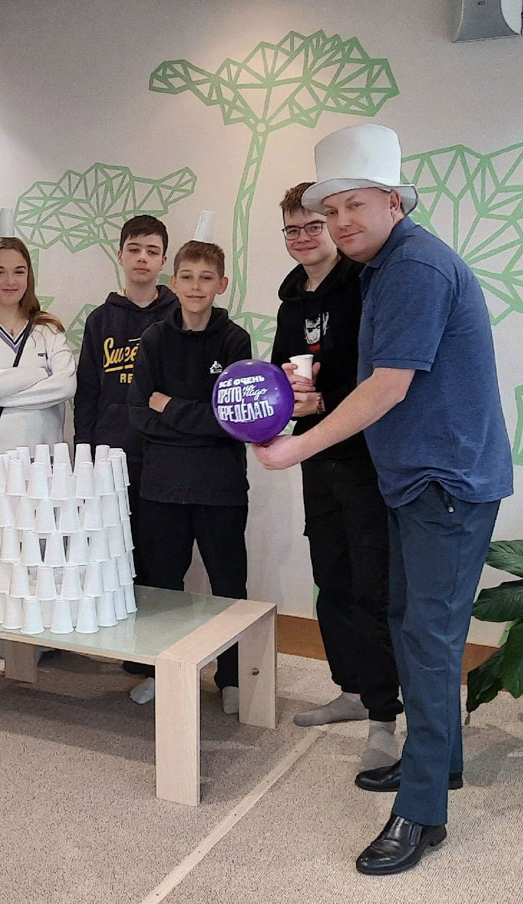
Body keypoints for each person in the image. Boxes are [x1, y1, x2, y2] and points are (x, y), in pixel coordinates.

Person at [256, 124, 512, 875]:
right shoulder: (382, 267)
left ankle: (422, 812)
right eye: (330, 210)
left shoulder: (415, 268)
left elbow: (388, 386)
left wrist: (298, 445)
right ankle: (443, 762)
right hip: (415, 479)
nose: (340, 222)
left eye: (354, 206)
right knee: (410, 624)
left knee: (428, 639)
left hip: (446, 483)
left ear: (394, 201)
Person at [271, 182, 402, 769]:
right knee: (331, 578)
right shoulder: (290, 302)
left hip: (367, 458)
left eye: (313, 225)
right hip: (316, 455)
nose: (303, 237)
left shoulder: (365, 284)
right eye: (292, 229)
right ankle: (350, 690)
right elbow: (283, 373)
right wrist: (284, 400)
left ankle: (384, 718)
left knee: (374, 588)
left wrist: (323, 401)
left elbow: (381, 378)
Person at [128, 240, 250, 712]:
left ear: (221, 284)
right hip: (162, 485)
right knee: (161, 586)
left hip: (220, 487)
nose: (196, 286)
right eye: (187, 277)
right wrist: (200, 418)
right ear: (172, 282)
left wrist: (172, 407)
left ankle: (233, 678)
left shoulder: (235, 340)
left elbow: (234, 420)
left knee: (229, 586)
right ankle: (162, 671)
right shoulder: (154, 339)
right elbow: (140, 415)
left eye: (206, 278)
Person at [0, 236, 76, 670]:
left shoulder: (48, 329)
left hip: (44, 466)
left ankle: (34, 644)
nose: (10, 280)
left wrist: (4, 388)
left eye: (19, 271)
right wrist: (36, 373)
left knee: (40, 557)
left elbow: (66, 385)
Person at [74, 214, 178, 684]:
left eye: (152, 251)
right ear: (120, 255)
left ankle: (157, 659)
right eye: (134, 249)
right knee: (116, 555)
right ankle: (125, 645)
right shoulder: (101, 320)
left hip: (163, 454)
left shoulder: (177, 315)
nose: (142, 258)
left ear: (163, 260)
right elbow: (88, 393)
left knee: (162, 557)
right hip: (111, 456)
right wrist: (85, 454)